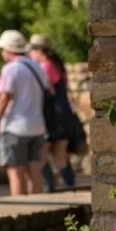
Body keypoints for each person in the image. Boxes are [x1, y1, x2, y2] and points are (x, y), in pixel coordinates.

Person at [0, 29, 49, 196]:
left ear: (8, 49)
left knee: (16, 173)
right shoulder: (37, 67)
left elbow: (4, 98)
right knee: (34, 172)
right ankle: (39, 207)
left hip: (15, 126)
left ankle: (19, 206)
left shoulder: (11, 69)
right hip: (37, 125)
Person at [30, 34, 78, 192]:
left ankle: (48, 187)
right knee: (60, 155)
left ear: (39, 51)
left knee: (41, 154)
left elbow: (48, 91)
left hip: (52, 117)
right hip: (64, 114)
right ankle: (70, 186)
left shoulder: (45, 67)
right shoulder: (58, 64)